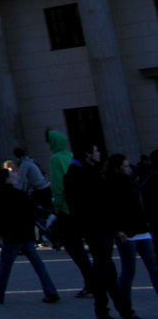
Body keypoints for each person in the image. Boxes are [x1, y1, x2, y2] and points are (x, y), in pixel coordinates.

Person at [67, 144, 136, 319]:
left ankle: (103, 310)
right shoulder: (81, 174)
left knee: (101, 272)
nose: (99, 154)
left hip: (98, 229)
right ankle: (123, 311)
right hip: (95, 229)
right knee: (108, 272)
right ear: (88, 154)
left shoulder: (86, 172)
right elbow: (96, 206)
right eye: (96, 151)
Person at [0, 167, 60, 304]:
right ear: (6, 179)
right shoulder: (20, 194)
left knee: (5, 267)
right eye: (11, 176)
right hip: (26, 235)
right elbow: (31, 213)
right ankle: (51, 292)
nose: (14, 178)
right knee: (39, 266)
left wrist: (1, 233)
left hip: (10, 237)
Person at [106, 153, 158, 306]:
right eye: (126, 167)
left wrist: (146, 221)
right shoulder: (112, 185)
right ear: (117, 169)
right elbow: (111, 211)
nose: (129, 169)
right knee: (129, 271)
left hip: (141, 229)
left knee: (154, 268)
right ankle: (125, 307)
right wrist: (117, 230)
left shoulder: (132, 183)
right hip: (126, 233)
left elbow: (139, 205)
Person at [50, 129, 96, 297]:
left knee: (74, 247)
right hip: (80, 208)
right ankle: (94, 281)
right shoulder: (70, 156)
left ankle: (91, 282)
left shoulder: (55, 159)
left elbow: (57, 184)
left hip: (67, 210)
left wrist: (59, 205)